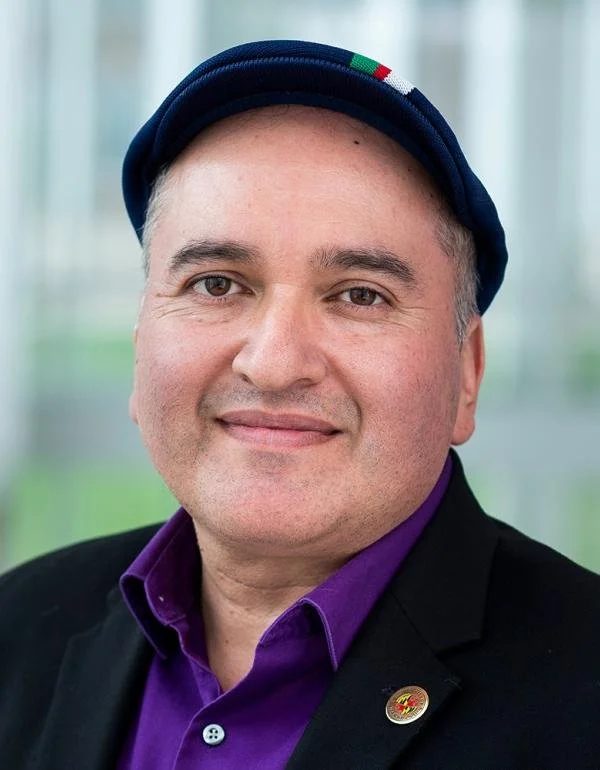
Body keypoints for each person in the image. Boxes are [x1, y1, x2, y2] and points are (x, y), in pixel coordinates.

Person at [1, 40, 598, 770]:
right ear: (139, 348)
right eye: (217, 284)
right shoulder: (17, 628)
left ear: (466, 376)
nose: (275, 362)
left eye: (359, 295)